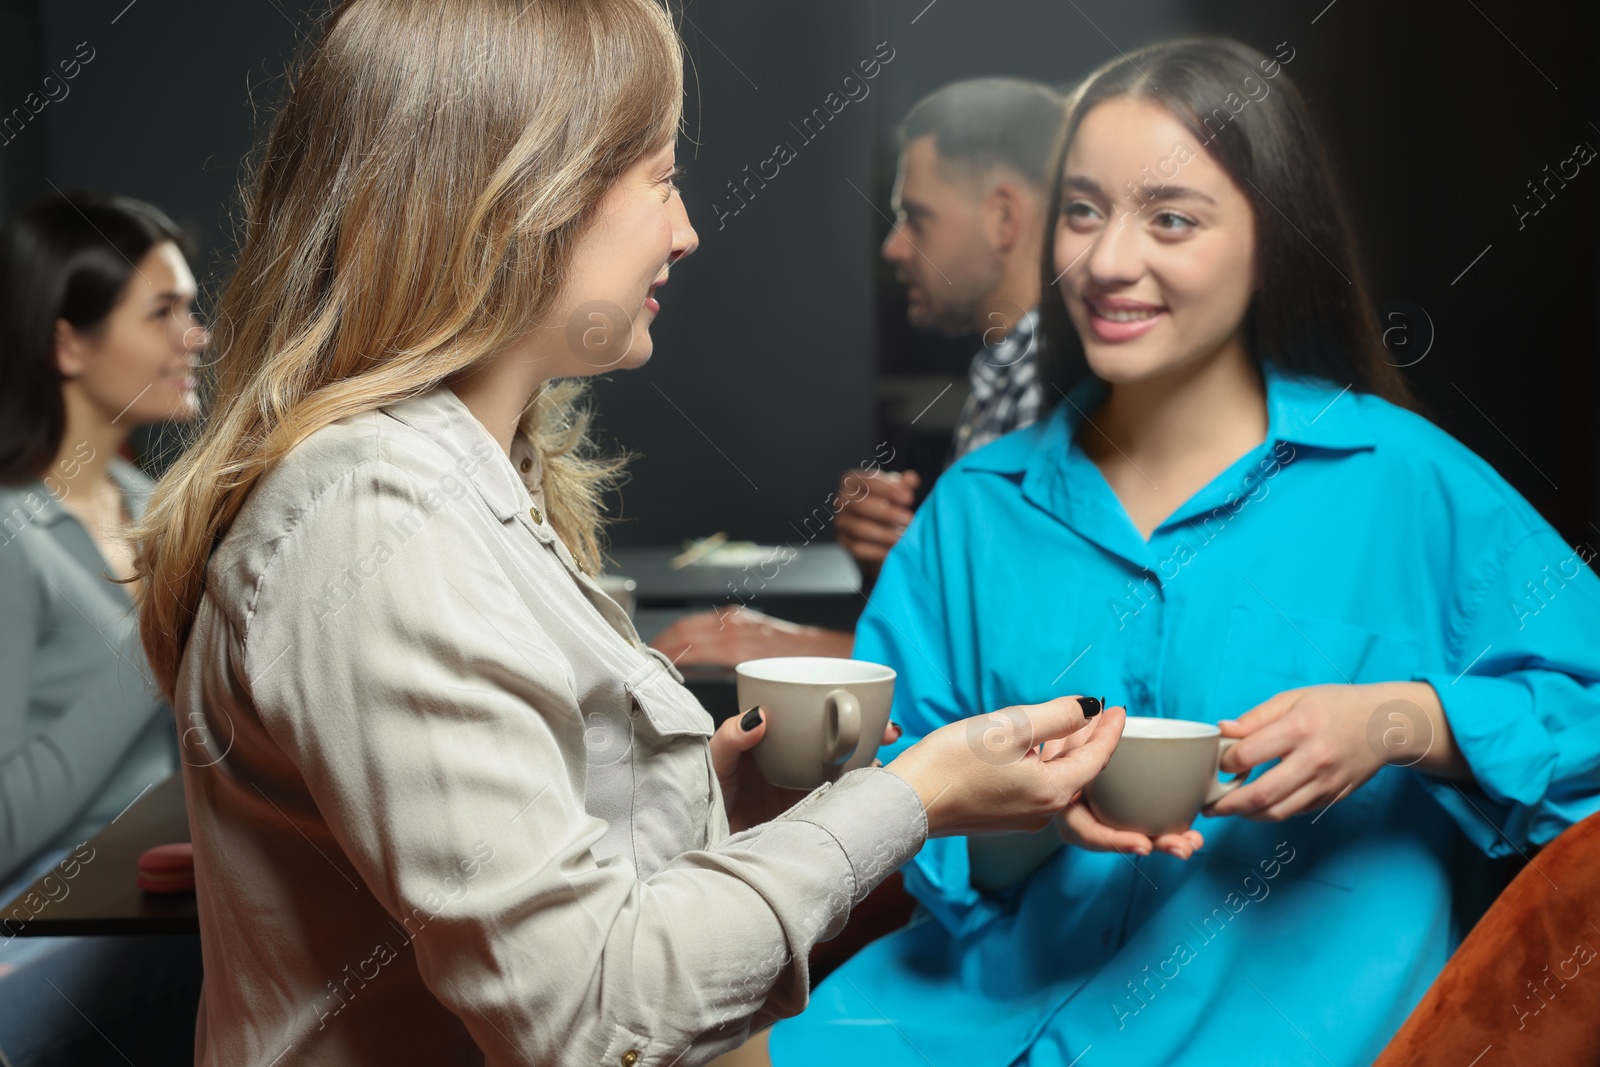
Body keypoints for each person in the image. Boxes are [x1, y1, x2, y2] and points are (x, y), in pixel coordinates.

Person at [127, 4, 1128, 1065]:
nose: (686, 227)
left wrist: (698, 796)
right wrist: (912, 796)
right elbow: (592, 1012)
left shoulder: (455, 482)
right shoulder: (380, 517)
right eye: (657, 176)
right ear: (518, 197)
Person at [764, 38, 1600, 1067]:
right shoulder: (977, 508)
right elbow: (892, 800)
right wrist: (1020, 808)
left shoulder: (1405, 483)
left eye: (1170, 218)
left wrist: (1406, 720)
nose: (1107, 261)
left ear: (1271, 239)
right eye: (1081, 210)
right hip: (960, 1015)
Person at [651, 78, 1069, 666]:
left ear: (1004, 217)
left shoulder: (1052, 384)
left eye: (915, 218)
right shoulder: (1004, 369)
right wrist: (898, 558)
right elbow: (983, 620)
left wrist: (800, 649)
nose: (895, 247)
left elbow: (1033, 667)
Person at [0, 190, 208, 1065]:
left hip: (145, 905)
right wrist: (156, 636)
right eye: (163, 312)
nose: (194, 335)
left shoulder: (152, 510)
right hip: (29, 945)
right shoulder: (12, 537)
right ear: (66, 340)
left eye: (191, 309)